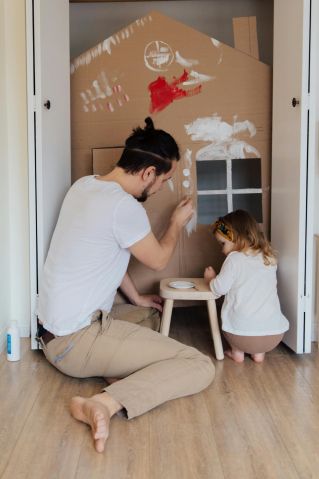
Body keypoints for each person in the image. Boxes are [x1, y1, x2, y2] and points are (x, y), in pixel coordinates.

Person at [37, 117, 215, 453]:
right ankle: (104, 403)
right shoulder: (124, 207)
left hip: (52, 333)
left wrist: (137, 297)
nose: (162, 187)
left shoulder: (85, 185)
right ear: (148, 173)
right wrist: (176, 223)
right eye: (164, 179)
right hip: (74, 343)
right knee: (199, 366)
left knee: (149, 316)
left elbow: (108, 258)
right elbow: (160, 259)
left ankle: (115, 373)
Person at [204, 209, 289, 364]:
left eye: (223, 244)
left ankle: (237, 352)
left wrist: (210, 279)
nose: (222, 250)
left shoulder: (234, 259)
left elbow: (219, 289)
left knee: (235, 321)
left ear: (236, 238)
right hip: (273, 336)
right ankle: (259, 354)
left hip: (241, 336)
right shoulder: (269, 257)